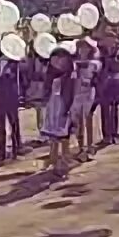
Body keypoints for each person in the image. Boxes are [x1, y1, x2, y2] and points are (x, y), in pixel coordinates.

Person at [40, 45, 76, 178]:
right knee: (53, 138)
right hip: (52, 109)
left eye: (61, 59)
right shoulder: (49, 75)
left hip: (64, 108)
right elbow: (45, 92)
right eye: (55, 59)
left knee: (64, 138)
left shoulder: (70, 76)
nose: (58, 62)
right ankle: (54, 161)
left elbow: (72, 94)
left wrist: (71, 108)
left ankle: (64, 164)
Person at [0, 54, 24, 161]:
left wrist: (20, 95)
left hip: (11, 99)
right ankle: (1, 153)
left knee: (14, 124)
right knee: (0, 127)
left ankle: (16, 149)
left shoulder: (15, 65)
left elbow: (21, 81)